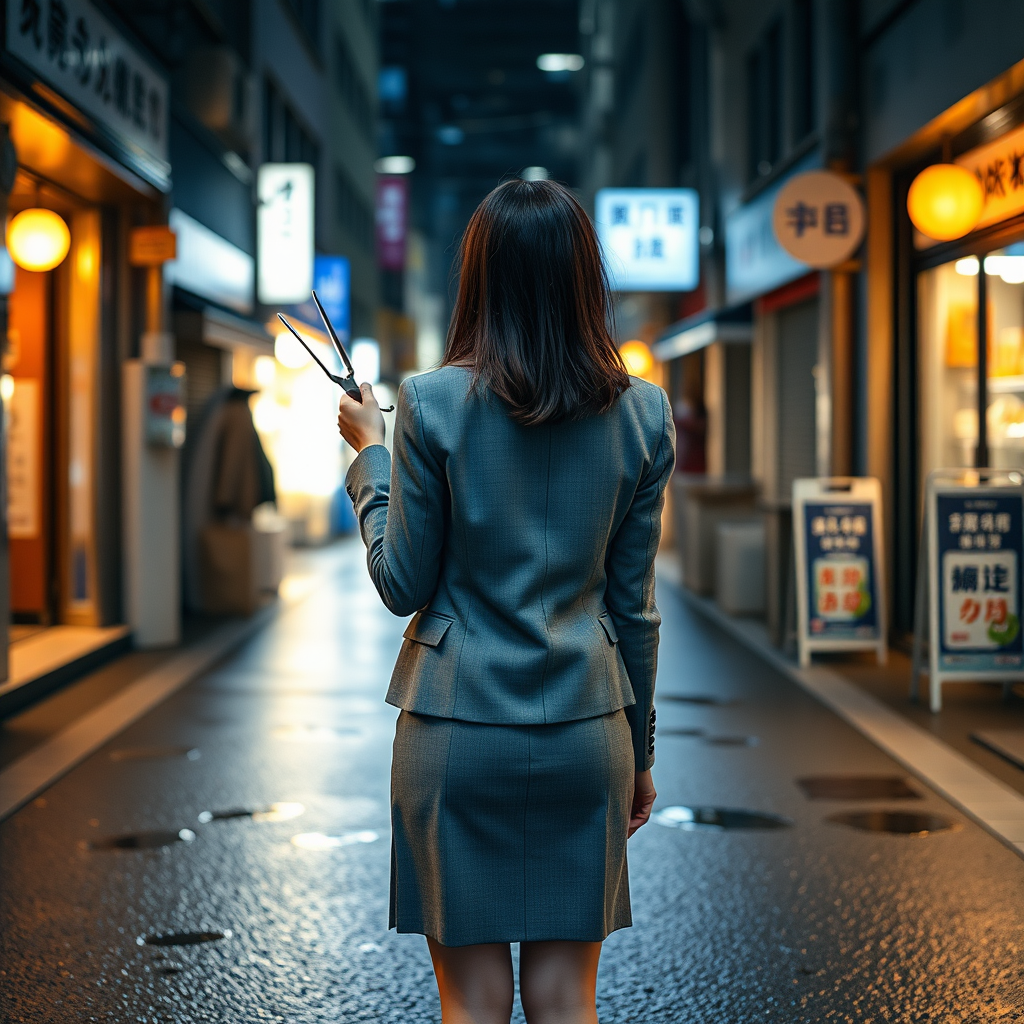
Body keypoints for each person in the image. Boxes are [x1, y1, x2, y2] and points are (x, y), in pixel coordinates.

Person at [337, 178, 675, 1024]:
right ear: (583, 279)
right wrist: (638, 753)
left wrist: (371, 460)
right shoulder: (643, 414)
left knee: (474, 1000)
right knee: (567, 998)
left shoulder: (430, 401)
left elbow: (401, 583)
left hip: (454, 731)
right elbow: (633, 611)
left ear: (478, 278)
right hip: (586, 729)